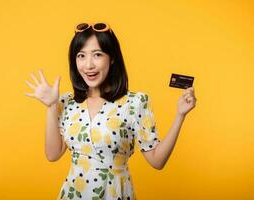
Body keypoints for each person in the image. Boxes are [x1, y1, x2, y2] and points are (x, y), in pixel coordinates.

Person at [25, 22, 197, 200]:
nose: (88, 65)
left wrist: (180, 115)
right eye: (81, 56)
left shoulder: (135, 102)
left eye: (97, 55)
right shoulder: (67, 102)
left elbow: (157, 160)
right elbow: (52, 154)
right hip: (73, 194)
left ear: (112, 58)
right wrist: (51, 106)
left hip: (115, 194)